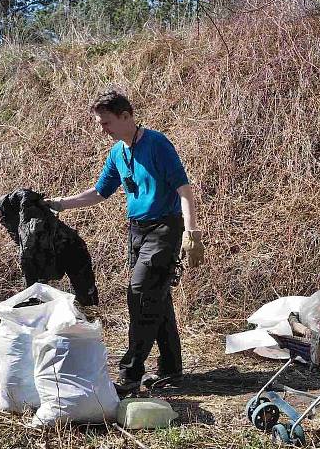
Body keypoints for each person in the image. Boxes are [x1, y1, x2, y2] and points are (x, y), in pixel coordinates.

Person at [45, 90, 205, 395]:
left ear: (126, 117)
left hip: (165, 229)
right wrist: (61, 204)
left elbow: (184, 188)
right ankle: (172, 369)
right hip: (137, 231)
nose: (102, 129)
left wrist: (191, 232)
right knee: (156, 298)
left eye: (106, 123)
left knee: (140, 294)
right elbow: (99, 192)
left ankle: (130, 374)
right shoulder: (118, 152)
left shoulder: (157, 144)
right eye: (100, 123)